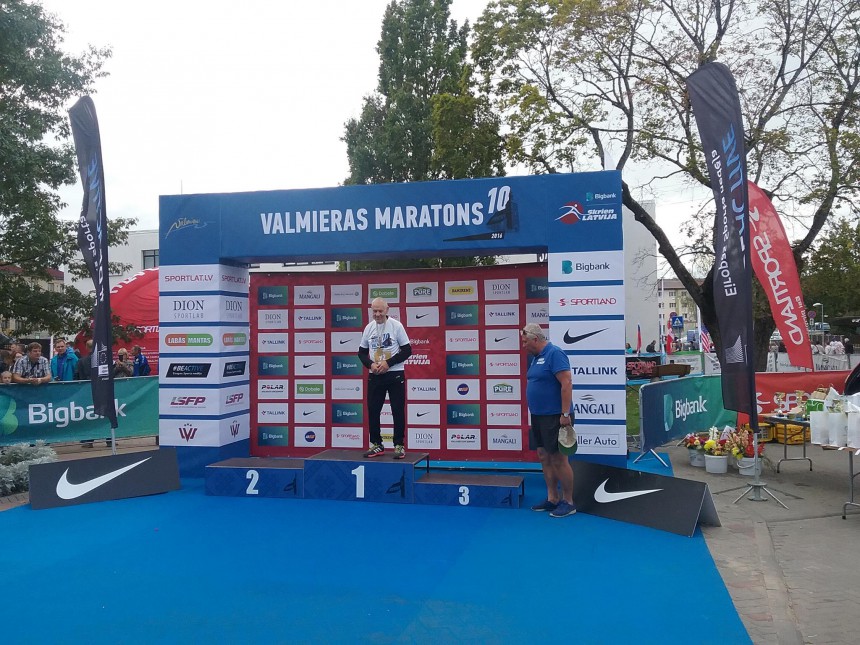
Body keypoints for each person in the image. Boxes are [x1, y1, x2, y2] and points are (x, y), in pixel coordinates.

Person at [521, 323, 577, 518]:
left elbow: (566, 383)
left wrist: (565, 414)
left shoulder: (555, 353)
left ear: (535, 339)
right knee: (543, 456)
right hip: (538, 416)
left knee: (559, 459)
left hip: (556, 416)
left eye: (525, 341)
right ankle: (552, 498)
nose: (523, 345)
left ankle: (568, 501)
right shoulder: (536, 358)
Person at [357, 297, 412, 459]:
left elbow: (407, 350)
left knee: (397, 410)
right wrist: (370, 365)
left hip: (395, 374)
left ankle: (399, 445)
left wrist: (388, 363)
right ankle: (376, 444)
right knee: (373, 410)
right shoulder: (369, 328)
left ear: (387, 310)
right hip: (375, 375)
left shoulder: (396, 326)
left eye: (380, 311)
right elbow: (361, 353)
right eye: (374, 311)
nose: (377, 314)